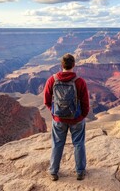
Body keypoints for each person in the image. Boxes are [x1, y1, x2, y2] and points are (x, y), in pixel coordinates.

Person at [43, 53, 90, 181]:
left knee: (57, 144)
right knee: (79, 144)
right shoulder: (80, 81)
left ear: (61, 65)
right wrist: (82, 115)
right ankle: (80, 171)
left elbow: (46, 100)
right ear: (73, 65)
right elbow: (86, 102)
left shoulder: (52, 80)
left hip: (58, 119)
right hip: (76, 118)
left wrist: (54, 112)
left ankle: (53, 171)